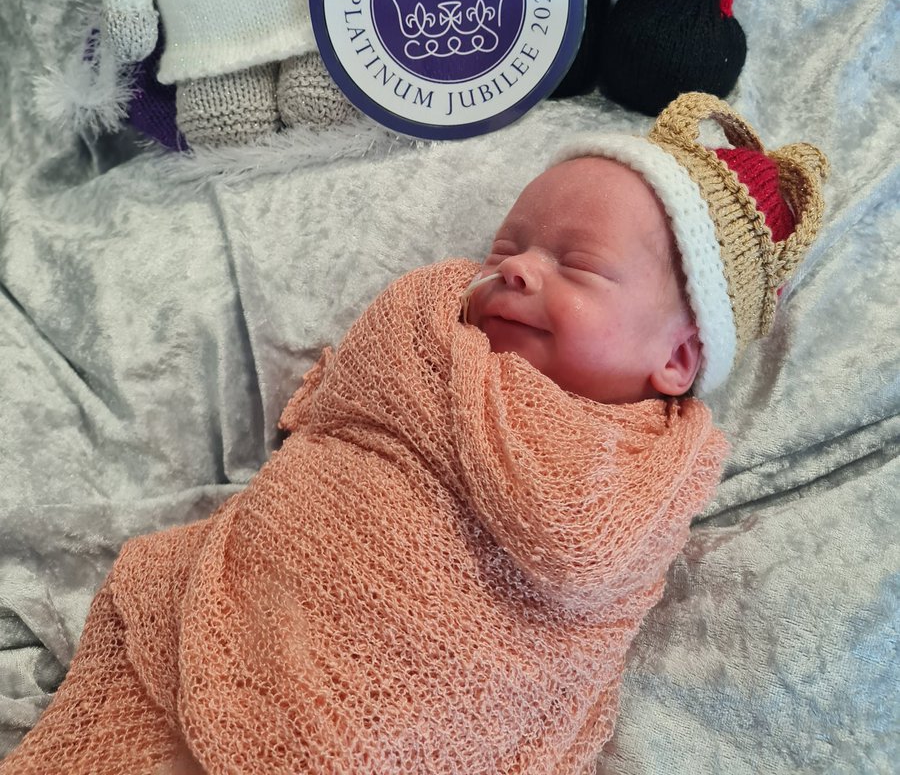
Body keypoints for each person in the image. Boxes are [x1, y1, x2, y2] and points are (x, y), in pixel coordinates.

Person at [0, 93, 828, 775]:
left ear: (678, 362)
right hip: (269, 591)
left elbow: (581, 551)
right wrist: (434, 338)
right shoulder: (431, 332)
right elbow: (348, 404)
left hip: (432, 697)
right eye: (510, 245)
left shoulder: (647, 465)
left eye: (574, 265)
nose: (517, 267)